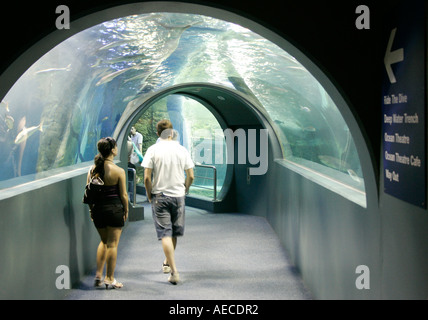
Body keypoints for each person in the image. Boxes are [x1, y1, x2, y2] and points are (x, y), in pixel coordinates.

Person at [142, 120, 194, 284]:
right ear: (171, 132)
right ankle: (167, 263)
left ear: (158, 134)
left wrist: (150, 194)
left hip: (160, 196)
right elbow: (191, 176)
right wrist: (184, 189)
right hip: (178, 196)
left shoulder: (152, 150)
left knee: (165, 233)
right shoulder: (182, 150)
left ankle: (174, 270)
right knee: (174, 233)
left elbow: (146, 177)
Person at [87, 137, 129, 289]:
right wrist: (126, 209)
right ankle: (109, 278)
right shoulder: (118, 171)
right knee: (112, 245)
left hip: (98, 210)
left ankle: (98, 274)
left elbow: (89, 193)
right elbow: (123, 195)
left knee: (103, 242)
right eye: (116, 147)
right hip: (114, 210)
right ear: (112, 150)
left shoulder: (93, 170)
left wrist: (92, 210)